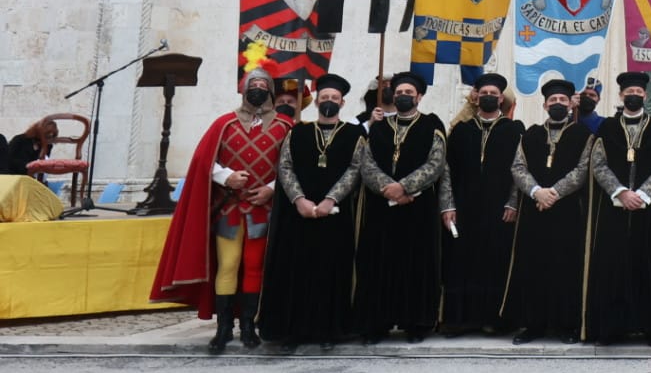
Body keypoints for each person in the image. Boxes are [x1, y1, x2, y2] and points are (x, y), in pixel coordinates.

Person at [151, 69, 292, 353]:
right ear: (243, 89)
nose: (258, 89)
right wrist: (225, 176)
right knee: (228, 265)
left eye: (264, 85)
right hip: (229, 209)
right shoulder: (224, 124)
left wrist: (272, 188)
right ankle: (224, 327)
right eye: (254, 84)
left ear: (272, 91)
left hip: (264, 209)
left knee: (254, 267)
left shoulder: (285, 126)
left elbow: (293, 165)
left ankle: (249, 326)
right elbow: (204, 161)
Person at [259, 73, 363, 351]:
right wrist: (299, 199)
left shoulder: (354, 135)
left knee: (331, 273)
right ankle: (295, 331)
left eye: (334, 99)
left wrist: (330, 199)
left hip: (336, 216)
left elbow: (355, 169)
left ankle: (329, 330)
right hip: (300, 216)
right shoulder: (298, 132)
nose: (329, 102)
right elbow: (285, 167)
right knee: (297, 271)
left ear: (343, 103)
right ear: (316, 101)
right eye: (325, 97)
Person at [580, 71, 651, 346]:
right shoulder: (607, 128)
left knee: (649, 266)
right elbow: (597, 164)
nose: (633, 96)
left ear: (645, 95)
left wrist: (644, 194)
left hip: (649, 209)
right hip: (613, 209)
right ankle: (612, 329)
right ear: (621, 96)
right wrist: (621, 192)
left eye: (638, 93)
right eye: (628, 93)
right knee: (613, 268)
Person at [351, 71, 448, 344]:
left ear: (419, 96)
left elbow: (435, 163)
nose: (404, 96)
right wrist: (387, 188)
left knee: (415, 265)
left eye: (409, 92)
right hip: (381, 207)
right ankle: (376, 324)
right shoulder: (379, 126)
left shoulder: (432, 125)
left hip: (418, 206)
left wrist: (404, 187)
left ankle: (415, 323)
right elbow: (366, 163)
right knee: (378, 265)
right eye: (399, 92)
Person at [503, 78, 593, 345]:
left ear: (569, 105)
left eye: (562, 101)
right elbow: (518, 168)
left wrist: (553, 193)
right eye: (552, 101)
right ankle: (533, 325)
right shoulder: (530, 134)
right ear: (544, 105)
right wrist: (536, 192)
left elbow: (583, 169)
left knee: (566, 268)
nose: (557, 104)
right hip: (535, 213)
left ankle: (567, 325)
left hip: (567, 213)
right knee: (534, 267)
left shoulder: (583, 135)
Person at [440, 73, 523, 335]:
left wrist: (513, 203)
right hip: (464, 209)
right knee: (461, 261)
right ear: (476, 97)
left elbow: (519, 170)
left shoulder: (514, 130)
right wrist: (448, 206)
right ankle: (460, 321)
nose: (488, 97)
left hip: (499, 210)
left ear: (501, 99)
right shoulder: (461, 130)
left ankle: (494, 320)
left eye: (493, 94)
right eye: (484, 92)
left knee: (494, 262)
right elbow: (446, 171)